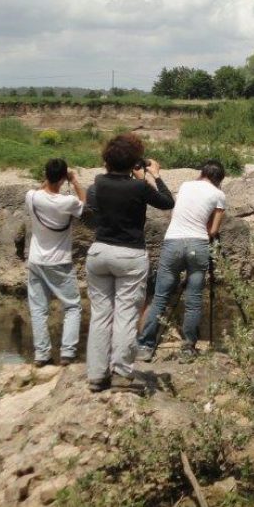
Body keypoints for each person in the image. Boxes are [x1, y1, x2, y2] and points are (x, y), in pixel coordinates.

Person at [84, 133, 174, 393]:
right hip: (130, 254)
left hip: (99, 252)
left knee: (100, 315)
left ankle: (96, 375)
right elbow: (168, 203)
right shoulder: (138, 187)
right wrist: (153, 176)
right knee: (126, 314)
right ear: (135, 161)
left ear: (106, 160)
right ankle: (121, 372)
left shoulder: (97, 184)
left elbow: (92, 208)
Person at [136, 160, 227, 363]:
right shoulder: (219, 195)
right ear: (219, 179)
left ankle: (145, 347)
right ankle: (187, 349)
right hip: (198, 244)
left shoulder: (185, 185)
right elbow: (213, 231)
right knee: (193, 301)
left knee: (160, 297)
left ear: (201, 172)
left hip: (173, 242)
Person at [24, 158, 86, 367]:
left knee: (38, 309)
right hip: (59, 261)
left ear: (45, 174)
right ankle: (67, 353)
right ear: (62, 179)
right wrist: (74, 181)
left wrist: (53, 179)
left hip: (35, 260)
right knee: (72, 307)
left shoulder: (31, 197)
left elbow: (42, 188)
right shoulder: (67, 202)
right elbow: (84, 205)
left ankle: (42, 355)